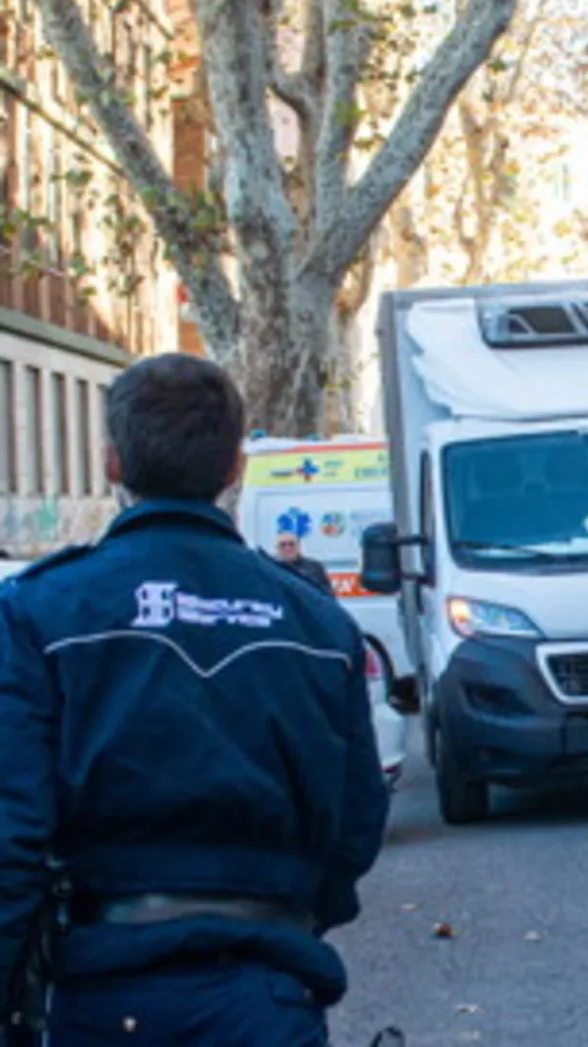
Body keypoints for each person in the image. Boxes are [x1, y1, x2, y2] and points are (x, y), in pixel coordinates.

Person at [0, 354, 388, 1046]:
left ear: (112, 463)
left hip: (107, 995)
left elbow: (12, 829)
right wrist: (291, 911)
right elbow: (357, 816)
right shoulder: (316, 621)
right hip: (268, 988)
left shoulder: (40, 611)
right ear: (235, 465)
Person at [271, 528, 334, 597]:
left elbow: (328, 597)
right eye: (283, 545)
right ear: (277, 548)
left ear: (299, 546)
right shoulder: (271, 568)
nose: (287, 548)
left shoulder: (315, 568)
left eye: (291, 544)